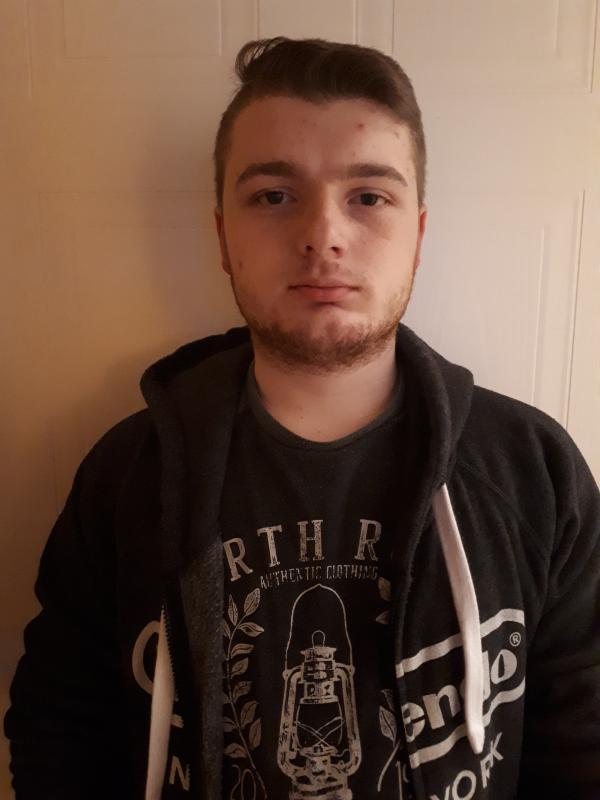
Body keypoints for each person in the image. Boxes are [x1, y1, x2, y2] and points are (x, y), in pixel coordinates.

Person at [4, 35, 600, 800]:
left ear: (419, 236)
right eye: (274, 196)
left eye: (369, 196)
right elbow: (57, 733)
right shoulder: (125, 477)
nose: (323, 235)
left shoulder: (533, 471)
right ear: (222, 236)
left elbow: (582, 743)